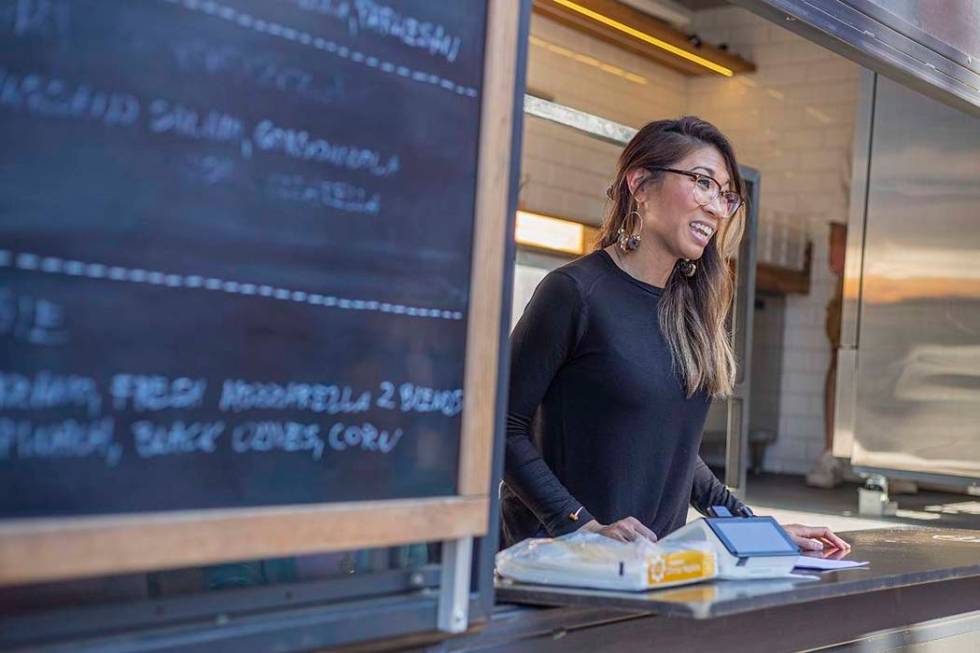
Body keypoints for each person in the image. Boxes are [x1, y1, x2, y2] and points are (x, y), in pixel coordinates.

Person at [502, 116, 849, 553]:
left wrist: (757, 529)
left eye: (726, 196)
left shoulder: (688, 311)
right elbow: (503, 426)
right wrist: (580, 526)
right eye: (703, 182)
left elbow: (676, 456)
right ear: (641, 184)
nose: (717, 207)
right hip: (558, 567)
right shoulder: (573, 292)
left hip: (650, 571)